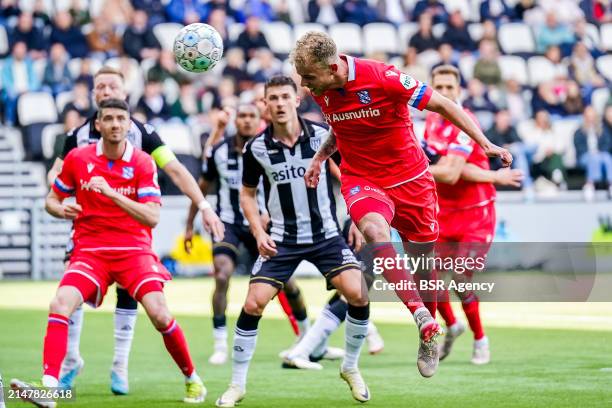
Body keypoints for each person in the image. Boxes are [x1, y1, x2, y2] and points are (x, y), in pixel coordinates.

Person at [295, 31, 511, 378]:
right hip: (363, 179)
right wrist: (320, 158)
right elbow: (341, 127)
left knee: (426, 269)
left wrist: (484, 144)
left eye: (309, 77)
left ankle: (429, 332)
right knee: (373, 229)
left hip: (411, 182)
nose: (305, 85)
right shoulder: (321, 90)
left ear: (333, 67)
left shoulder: (383, 77)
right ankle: (420, 315)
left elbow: (443, 104)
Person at [10, 99, 206, 407]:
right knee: (60, 303)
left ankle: (192, 378)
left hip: (133, 250)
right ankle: (49, 387)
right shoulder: (77, 157)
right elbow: (51, 198)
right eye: (109, 119)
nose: (115, 124)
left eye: (121, 119)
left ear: (129, 125)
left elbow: (152, 217)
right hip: (91, 252)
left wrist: (112, 194)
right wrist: (62, 210)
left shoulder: (142, 162)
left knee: (159, 314)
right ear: (98, 125)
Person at [46, 66, 223, 395]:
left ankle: (120, 366)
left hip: (131, 239)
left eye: (113, 85)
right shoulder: (77, 137)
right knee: (69, 298)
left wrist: (204, 206)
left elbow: (176, 170)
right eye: (100, 86)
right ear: (95, 101)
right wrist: (59, 202)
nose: (107, 90)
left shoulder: (144, 137)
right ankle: (67, 364)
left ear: (126, 94)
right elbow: (56, 179)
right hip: (88, 235)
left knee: (139, 302)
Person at [216, 76, 371, 406]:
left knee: (358, 293)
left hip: (325, 235)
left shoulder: (322, 136)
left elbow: (353, 176)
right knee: (252, 304)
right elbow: (247, 193)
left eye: (285, 96)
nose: (280, 103)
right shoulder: (256, 147)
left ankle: (351, 367)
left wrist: (357, 218)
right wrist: (258, 232)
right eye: (273, 98)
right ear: (266, 105)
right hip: (282, 240)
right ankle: (237, 384)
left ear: (297, 100)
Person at [423, 65, 522, 365]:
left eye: (450, 87)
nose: (445, 92)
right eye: (439, 86)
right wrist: (492, 176)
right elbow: (453, 168)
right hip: (444, 214)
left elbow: (452, 173)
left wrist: (411, 171)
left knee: (461, 277)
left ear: (460, 91)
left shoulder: (466, 123)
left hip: (477, 215)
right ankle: (452, 325)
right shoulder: (430, 121)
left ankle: (481, 339)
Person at [573, 105, 612, 201]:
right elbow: (579, 147)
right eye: (588, 117)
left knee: (607, 157)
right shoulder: (579, 132)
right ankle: (590, 184)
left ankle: (610, 183)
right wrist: (593, 153)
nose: (590, 119)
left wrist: (599, 152)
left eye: (592, 117)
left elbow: (607, 144)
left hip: (601, 155)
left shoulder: (603, 130)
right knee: (593, 158)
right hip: (585, 156)